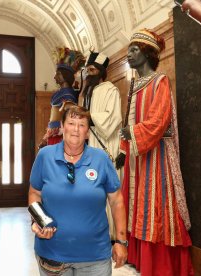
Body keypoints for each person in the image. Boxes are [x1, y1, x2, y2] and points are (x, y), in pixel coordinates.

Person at [119, 29, 194, 275]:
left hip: (157, 156)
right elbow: (129, 122)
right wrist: (125, 143)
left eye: (134, 50)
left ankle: (161, 264)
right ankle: (139, 257)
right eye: (128, 50)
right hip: (138, 156)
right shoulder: (133, 85)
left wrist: (134, 133)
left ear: (148, 53)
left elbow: (159, 120)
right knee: (136, 204)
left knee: (156, 206)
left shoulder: (160, 81)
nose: (129, 54)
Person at [29, 105, 127, 275]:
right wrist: (38, 221)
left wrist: (121, 241)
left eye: (82, 125)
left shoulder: (101, 159)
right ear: (62, 126)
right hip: (53, 255)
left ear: (88, 132)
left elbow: (116, 200)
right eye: (71, 123)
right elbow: (34, 193)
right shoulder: (45, 156)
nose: (76, 129)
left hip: (95, 257)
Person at [81, 51, 123, 241]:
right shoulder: (89, 92)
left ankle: (111, 235)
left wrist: (89, 117)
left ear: (101, 71)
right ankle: (96, 231)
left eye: (92, 70)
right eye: (87, 70)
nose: (88, 73)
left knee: (108, 192)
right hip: (93, 145)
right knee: (93, 191)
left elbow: (113, 119)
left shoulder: (110, 90)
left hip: (107, 145)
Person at [38, 47, 85, 148]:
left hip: (61, 137)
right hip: (53, 135)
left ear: (65, 75)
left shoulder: (68, 94)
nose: (55, 77)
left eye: (58, 74)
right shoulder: (60, 93)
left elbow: (71, 118)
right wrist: (46, 138)